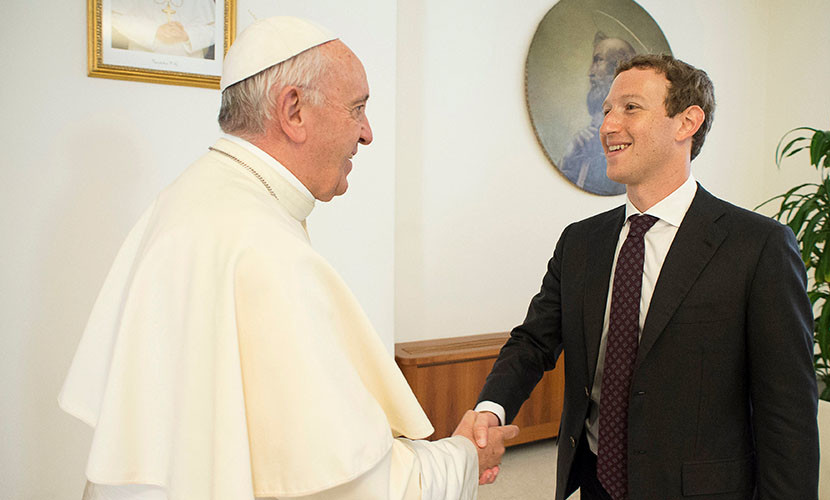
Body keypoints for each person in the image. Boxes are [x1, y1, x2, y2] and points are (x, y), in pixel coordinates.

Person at [59, 16, 517, 500]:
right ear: (294, 110)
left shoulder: (190, 197)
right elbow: (362, 487)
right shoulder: (262, 247)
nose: (367, 134)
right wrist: (465, 456)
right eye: (357, 109)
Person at [471, 55, 819, 499]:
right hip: (596, 483)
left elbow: (787, 413)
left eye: (630, 108)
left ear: (687, 122)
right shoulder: (580, 243)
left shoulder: (759, 247)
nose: (608, 126)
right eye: (606, 111)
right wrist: (491, 408)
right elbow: (533, 341)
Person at [557, 32, 635, 196]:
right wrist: (569, 159)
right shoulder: (585, 138)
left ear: (617, 67)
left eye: (598, 60)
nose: (590, 72)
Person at [111, 0, 216, 59]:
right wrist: (154, 31)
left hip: (189, 67)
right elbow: (115, 17)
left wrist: (187, 35)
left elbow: (216, 28)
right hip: (142, 62)